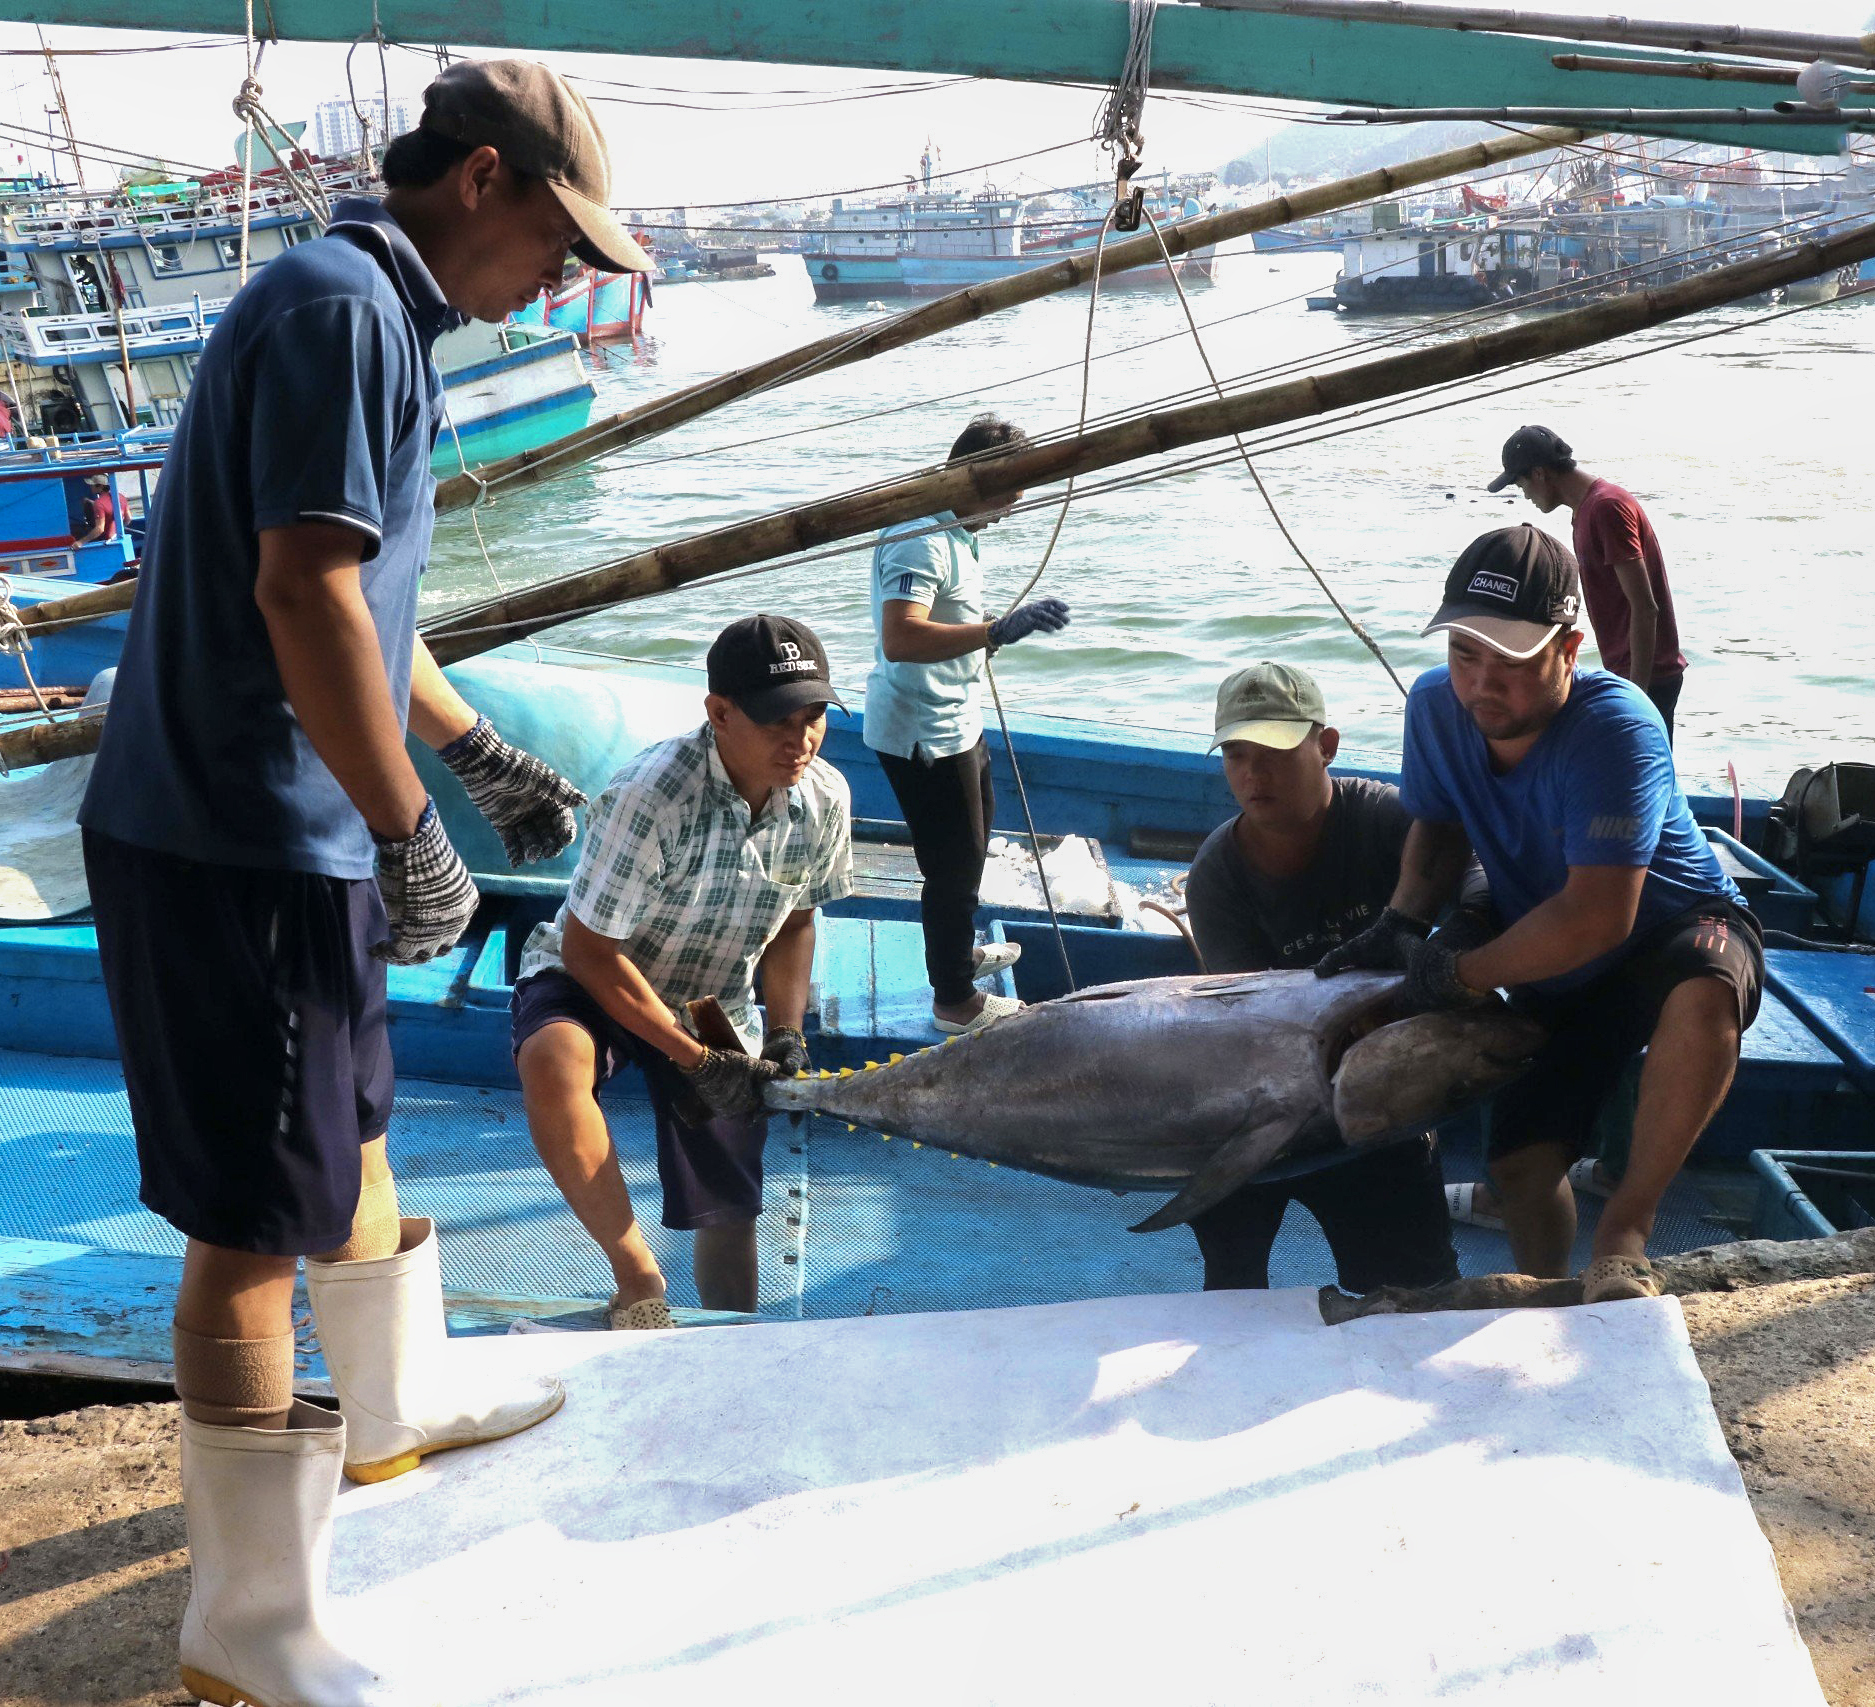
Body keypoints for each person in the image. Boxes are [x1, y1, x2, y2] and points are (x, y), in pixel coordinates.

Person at [76, 59, 646, 1706]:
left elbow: (373, 610)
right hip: (236, 833)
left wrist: (474, 759)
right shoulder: (343, 312)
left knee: (357, 1124)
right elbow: (305, 593)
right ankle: (246, 1628)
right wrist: (409, 831)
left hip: (286, 826)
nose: (563, 285)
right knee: (251, 1225)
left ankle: (388, 1410)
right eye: (559, 242)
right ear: (479, 178)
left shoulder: (359, 312)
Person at [1316, 526, 1762, 1304]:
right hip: (1552, 950)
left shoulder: (1615, 725)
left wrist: (1455, 974)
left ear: (1568, 648)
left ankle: (1623, 1233)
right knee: (1519, 1167)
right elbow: (1441, 829)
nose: (1483, 685)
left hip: (1667, 926)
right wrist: (1401, 922)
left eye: (1512, 662)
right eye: (1465, 655)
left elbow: (1597, 917)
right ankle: (1551, 1296)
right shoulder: (1433, 706)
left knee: (1703, 984)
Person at [513, 615, 852, 1325]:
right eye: (775, 721)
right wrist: (694, 1057)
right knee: (552, 1061)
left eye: (813, 716)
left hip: (713, 994)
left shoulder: (826, 798)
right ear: (719, 713)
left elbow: (796, 920)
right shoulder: (652, 795)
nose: (801, 740)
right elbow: (587, 950)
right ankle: (635, 1272)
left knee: (729, 1198)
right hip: (600, 975)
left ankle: (735, 1328)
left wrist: (786, 1033)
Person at [1183, 662, 1462, 1295]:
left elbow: (1474, 899)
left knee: (1418, 1289)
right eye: (1236, 755)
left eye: (1275, 753)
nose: (1254, 776)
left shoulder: (1389, 823)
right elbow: (1251, 1021)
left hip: (1382, 1095)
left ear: (1326, 746)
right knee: (1229, 1284)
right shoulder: (1217, 876)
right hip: (1262, 1101)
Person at [864, 412, 1070, 1036]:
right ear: (979, 478)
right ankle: (954, 1001)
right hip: (922, 730)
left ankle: (955, 957)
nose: (1015, 507)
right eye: (1011, 491)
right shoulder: (920, 537)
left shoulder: (958, 526)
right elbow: (900, 636)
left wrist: (993, 636)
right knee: (952, 869)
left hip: (958, 719)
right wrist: (994, 630)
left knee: (973, 848)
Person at [1488, 424, 1687, 741]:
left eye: (1521, 483)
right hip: (1629, 671)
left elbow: (1645, 607)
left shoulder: (1606, 508)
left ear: (1540, 474)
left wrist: (1636, 696)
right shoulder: (1587, 509)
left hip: (1648, 676)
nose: (1524, 494)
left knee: (1640, 779)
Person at [75, 472, 117, 544]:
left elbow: (99, 529)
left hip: (104, 541)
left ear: (100, 486)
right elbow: (128, 519)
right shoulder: (120, 497)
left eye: (92, 485)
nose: (90, 487)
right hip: (115, 537)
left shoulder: (99, 503)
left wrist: (80, 542)